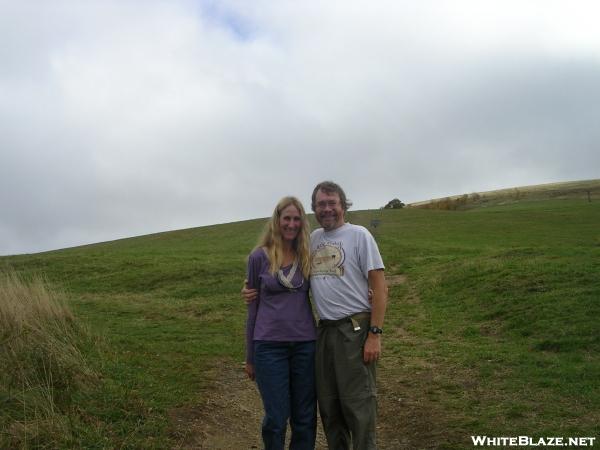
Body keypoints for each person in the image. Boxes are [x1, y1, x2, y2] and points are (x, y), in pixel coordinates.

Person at [244, 182, 388, 450]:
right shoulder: (311, 242)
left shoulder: (360, 235)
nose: (327, 208)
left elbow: (379, 285)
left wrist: (375, 333)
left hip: (353, 329)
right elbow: (276, 273)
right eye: (321, 204)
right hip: (322, 333)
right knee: (330, 406)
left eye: (332, 202)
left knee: (357, 404)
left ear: (343, 205)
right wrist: (250, 289)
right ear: (315, 209)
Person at [244, 196, 317, 450]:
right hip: (268, 346)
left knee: (305, 417)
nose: (292, 224)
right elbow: (252, 308)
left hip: (305, 345)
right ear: (277, 220)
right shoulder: (258, 258)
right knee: (276, 418)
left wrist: (365, 293)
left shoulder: (307, 255)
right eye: (287, 218)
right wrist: (250, 356)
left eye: (297, 219)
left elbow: (333, 282)